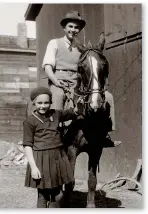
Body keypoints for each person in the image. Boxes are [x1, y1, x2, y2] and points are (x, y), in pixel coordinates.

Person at [23, 86, 80, 208]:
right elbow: (27, 146)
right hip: (41, 159)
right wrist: (33, 167)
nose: (43, 106)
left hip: (58, 158)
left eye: (46, 102)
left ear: (50, 103)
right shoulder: (29, 121)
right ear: (34, 103)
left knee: (58, 193)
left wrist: (79, 104)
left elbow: (72, 113)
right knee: (43, 195)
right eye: (39, 103)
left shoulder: (56, 113)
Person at [42, 10, 86, 110]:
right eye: (70, 26)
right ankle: (54, 124)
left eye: (76, 27)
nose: (73, 30)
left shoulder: (82, 48)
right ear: (64, 28)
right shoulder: (54, 43)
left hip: (76, 84)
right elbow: (48, 67)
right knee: (58, 97)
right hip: (59, 83)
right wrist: (55, 81)